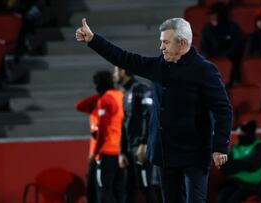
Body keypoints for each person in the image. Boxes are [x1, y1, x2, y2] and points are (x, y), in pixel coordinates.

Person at [75, 17, 233, 202]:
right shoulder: (158, 66)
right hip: (165, 152)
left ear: (182, 43)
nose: (161, 47)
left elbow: (223, 109)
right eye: (161, 42)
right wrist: (93, 40)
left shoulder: (205, 70)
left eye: (166, 42)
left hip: (195, 153)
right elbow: (124, 58)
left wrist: (220, 146)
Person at [114, 66, 158, 203]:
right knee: (129, 188)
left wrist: (144, 143)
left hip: (141, 148)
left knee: (146, 186)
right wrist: (122, 151)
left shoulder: (141, 89)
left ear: (122, 71)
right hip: (130, 149)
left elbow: (148, 115)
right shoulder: (125, 93)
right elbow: (124, 124)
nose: (114, 75)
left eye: (115, 71)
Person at [91, 71, 125, 203]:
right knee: (119, 190)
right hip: (121, 151)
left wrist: (96, 151)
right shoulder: (121, 95)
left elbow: (103, 129)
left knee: (104, 190)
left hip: (107, 151)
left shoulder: (105, 99)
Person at [218, 120, 261, 203]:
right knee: (222, 197)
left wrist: (233, 165)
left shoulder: (259, 145)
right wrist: (240, 164)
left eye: (242, 133)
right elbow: (224, 167)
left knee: (233, 199)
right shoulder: (235, 146)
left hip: (251, 184)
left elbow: (252, 166)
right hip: (234, 182)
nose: (240, 135)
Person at [75, 94, 100, 203]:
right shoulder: (94, 111)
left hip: (105, 155)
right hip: (93, 157)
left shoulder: (110, 111)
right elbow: (79, 106)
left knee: (102, 189)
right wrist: (101, 93)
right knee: (90, 188)